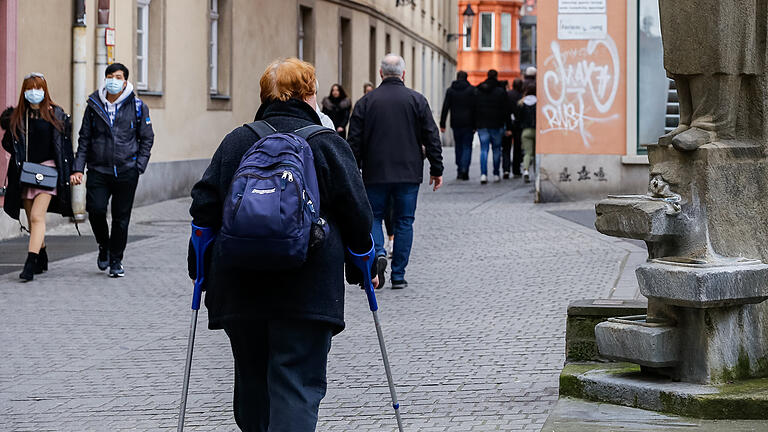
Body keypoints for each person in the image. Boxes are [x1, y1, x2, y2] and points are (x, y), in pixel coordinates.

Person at [188, 57, 376, 431]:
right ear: (309, 94)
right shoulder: (327, 144)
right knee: (296, 384)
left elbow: (204, 209)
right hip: (308, 290)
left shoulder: (237, 140)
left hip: (240, 288)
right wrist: (362, 266)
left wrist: (201, 271)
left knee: (253, 380)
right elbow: (358, 215)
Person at [348, 54, 444, 289]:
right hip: (408, 174)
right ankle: (398, 275)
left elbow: (353, 142)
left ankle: (379, 253)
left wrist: (352, 171)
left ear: (381, 74)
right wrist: (436, 168)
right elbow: (431, 135)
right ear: (403, 74)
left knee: (374, 218)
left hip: (374, 173)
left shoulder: (365, 102)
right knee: (404, 222)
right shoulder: (417, 100)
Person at [70, 63, 154, 278]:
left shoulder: (137, 106)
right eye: (110, 76)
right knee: (96, 210)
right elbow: (84, 139)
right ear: (105, 79)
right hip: (99, 169)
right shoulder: (94, 105)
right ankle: (103, 245)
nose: (113, 80)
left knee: (121, 218)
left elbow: (147, 137)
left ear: (125, 81)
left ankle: (116, 260)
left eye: (118, 77)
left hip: (127, 170)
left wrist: (139, 165)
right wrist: (78, 168)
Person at [1, 73, 74, 281]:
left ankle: (30, 263)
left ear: (45, 90)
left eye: (39, 88)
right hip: (25, 172)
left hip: (49, 172)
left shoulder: (55, 114)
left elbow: (65, 147)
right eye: (30, 88)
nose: (35, 92)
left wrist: (72, 172)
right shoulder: (18, 116)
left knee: (36, 217)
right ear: (24, 91)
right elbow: (7, 144)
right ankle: (42, 254)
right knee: (32, 219)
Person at [474, 69, 512, 184]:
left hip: (482, 124)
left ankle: (483, 174)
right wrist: (508, 127)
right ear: (496, 77)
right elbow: (506, 110)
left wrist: (474, 124)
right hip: (497, 124)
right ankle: (496, 173)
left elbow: (474, 108)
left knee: (484, 150)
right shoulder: (500, 91)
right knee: (496, 150)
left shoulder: (478, 90)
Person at [439, 71, 476, 181]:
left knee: (458, 146)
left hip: (455, 123)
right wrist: (476, 124)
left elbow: (445, 107)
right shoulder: (471, 90)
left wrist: (442, 123)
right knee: (467, 146)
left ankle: (460, 169)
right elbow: (475, 108)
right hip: (469, 123)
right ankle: (465, 169)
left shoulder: (450, 91)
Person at [504, 78, 524, 178]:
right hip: (519, 125)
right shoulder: (522, 96)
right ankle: (516, 170)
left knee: (506, 148)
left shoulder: (508, 94)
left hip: (509, 124)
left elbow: (505, 110)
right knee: (517, 148)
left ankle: (506, 169)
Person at [519, 83, 537, 183]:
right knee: (536, 154)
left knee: (527, 153)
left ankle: (526, 171)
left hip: (525, 131)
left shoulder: (521, 103)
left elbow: (518, 118)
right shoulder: (539, 103)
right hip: (537, 131)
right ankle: (536, 172)